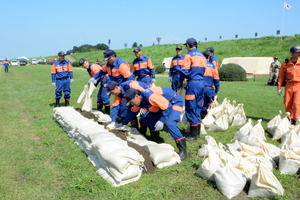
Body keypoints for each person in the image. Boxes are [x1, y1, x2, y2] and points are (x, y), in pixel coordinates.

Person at [121, 87, 187, 160]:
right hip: (161, 105)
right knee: (149, 118)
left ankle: (183, 151)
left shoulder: (150, 96)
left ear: (137, 96)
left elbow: (167, 106)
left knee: (170, 124)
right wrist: (122, 124)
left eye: (131, 101)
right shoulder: (139, 101)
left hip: (174, 102)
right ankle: (155, 141)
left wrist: (161, 120)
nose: (132, 103)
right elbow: (132, 113)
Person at [88, 49, 134, 114]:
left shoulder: (121, 65)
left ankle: (128, 122)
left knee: (124, 107)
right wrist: (94, 78)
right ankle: (117, 119)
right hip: (117, 89)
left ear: (113, 56)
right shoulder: (108, 64)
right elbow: (101, 72)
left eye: (108, 59)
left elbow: (130, 79)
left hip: (124, 88)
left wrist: (128, 91)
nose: (107, 61)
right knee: (117, 107)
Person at [181, 38, 207, 141]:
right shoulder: (202, 56)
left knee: (190, 108)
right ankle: (197, 133)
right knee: (197, 108)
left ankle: (193, 134)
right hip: (201, 83)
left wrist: (183, 80)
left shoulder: (189, 55)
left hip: (192, 83)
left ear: (188, 45)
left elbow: (184, 71)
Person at [277, 45, 300, 125]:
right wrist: (279, 87)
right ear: (291, 53)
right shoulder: (285, 64)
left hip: (298, 86)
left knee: (297, 104)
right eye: (297, 52)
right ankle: (289, 118)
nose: (298, 54)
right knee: (287, 103)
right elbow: (281, 77)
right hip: (289, 85)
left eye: (299, 52)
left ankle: (295, 119)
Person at [201, 50, 220, 119]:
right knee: (207, 103)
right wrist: (217, 90)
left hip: (199, 87)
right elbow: (216, 80)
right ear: (209, 57)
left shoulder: (199, 66)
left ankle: (198, 117)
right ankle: (204, 116)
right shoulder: (213, 67)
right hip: (209, 88)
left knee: (198, 102)